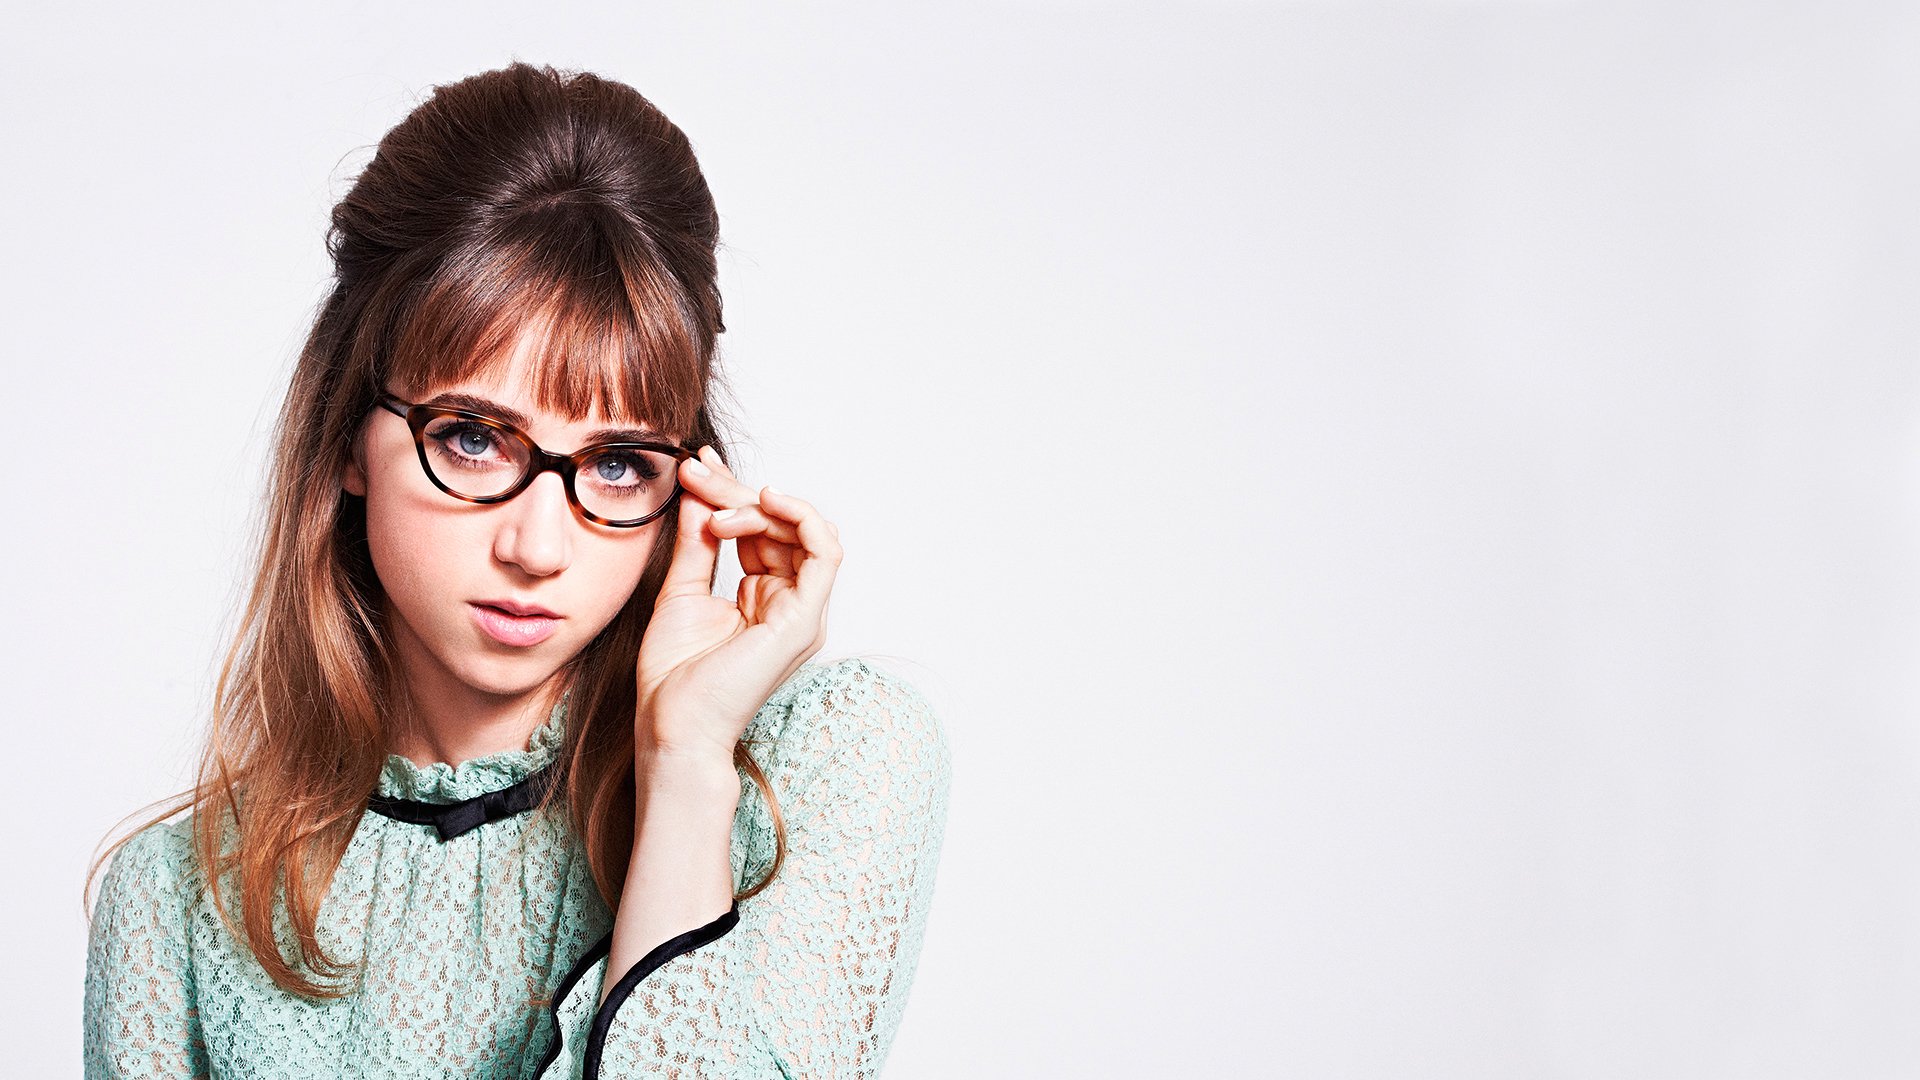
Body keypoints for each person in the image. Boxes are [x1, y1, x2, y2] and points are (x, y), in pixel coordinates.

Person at [81, 61, 953, 1079]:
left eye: (619, 463)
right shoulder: (174, 906)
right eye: (475, 440)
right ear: (351, 438)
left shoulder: (831, 767)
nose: (537, 548)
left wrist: (684, 762)